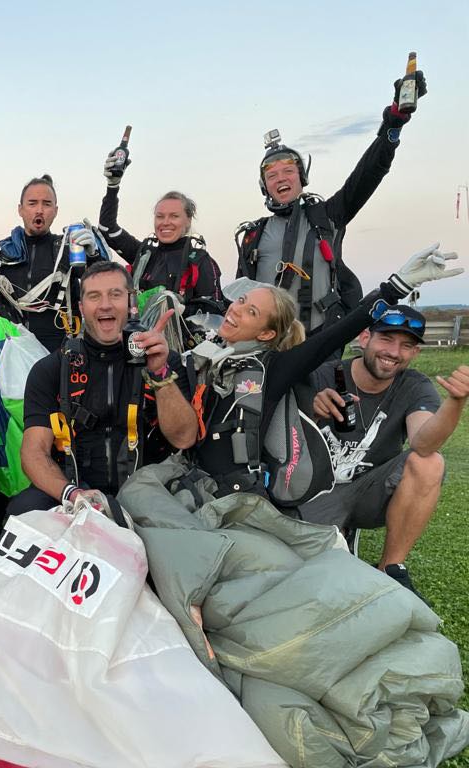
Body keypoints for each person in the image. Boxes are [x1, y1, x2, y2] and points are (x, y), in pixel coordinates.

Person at [189, 245, 460, 533]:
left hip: (242, 499)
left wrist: (395, 287)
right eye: (240, 301)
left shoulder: (274, 369)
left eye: (251, 310)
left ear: (267, 333)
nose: (236, 310)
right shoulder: (205, 357)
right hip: (196, 486)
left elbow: (336, 335)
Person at [235, 68, 428, 337]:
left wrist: (393, 124)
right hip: (265, 342)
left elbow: (368, 174)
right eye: (272, 175)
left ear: (302, 178)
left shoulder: (328, 215)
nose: (281, 178)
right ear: (264, 187)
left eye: (288, 171)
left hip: (320, 340)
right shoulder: (253, 235)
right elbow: (240, 294)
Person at [298, 305, 469, 598]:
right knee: (303, 577)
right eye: (386, 339)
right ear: (365, 338)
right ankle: (336, 534)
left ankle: (390, 569)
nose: (394, 352)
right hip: (312, 495)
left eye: (406, 345)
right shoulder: (322, 375)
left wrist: (455, 401)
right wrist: (309, 409)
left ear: (415, 353)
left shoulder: (414, 385)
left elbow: (424, 444)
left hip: (368, 492)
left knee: (429, 463)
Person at [9, 261, 198, 518]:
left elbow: (184, 439)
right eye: (94, 296)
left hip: (150, 490)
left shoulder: (165, 361)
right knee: (23, 509)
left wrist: (159, 374)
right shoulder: (51, 369)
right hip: (77, 489)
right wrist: (73, 494)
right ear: (81, 308)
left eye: (115, 294)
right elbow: (33, 453)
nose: (105, 305)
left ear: (131, 304)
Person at [0, 174, 107, 353]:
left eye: (47, 204)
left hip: (58, 354)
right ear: (20, 209)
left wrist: (94, 255)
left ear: (56, 211)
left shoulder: (68, 250)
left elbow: (104, 286)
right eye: (32, 203)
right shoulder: (1, 253)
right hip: (12, 352)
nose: (39, 210)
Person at [99, 152, 222, 311]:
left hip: (179, 328)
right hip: (137, 327)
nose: (165, 222)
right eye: (160, 216)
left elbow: (214, 312)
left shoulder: (200, 261)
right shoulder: (144, 254)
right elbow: (107, 229)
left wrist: (179, 309)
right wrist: (112, 186)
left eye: (174, 216)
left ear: (188, 220)